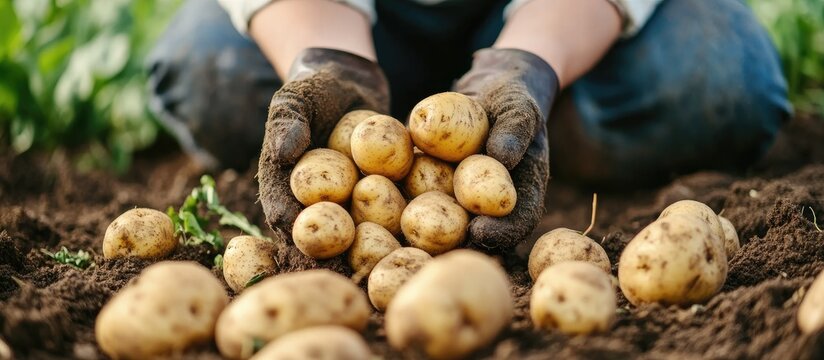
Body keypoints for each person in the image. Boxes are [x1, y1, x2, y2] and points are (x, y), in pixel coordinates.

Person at [147, 0, 790, 250]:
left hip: (560, 19)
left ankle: (535, 111)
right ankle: (573, 126)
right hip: (349, 16)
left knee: (728, 82)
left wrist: (529, 63)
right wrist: (330, 58)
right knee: (203, 71)